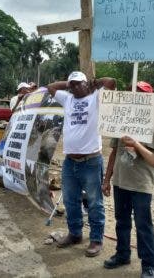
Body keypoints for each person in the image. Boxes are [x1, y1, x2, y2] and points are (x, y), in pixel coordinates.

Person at [47, 71, 116, 257]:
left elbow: (111, 82)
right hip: (70, 161)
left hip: (91, 161)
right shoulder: (68, 99)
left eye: (79, 83)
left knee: (95, 202)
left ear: (87, 84)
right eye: (72, 84)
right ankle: (75, 234)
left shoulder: (95, 97)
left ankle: (96, 239)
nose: (75, 87)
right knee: (70, 200)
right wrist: (68, 84)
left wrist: (96, 82)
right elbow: (51, 87)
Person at [102, 82, 154, 278]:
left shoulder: (152, 124)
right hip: (120, 182)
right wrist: (107, 179)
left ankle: (149, 264)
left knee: (143, 225)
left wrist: (137, 146)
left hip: (142, 184)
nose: (137, 98)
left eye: (142, 95)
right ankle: (122, 254)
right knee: (121, 221)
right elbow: (113, 153)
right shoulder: (120, 121)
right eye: (135, 93)